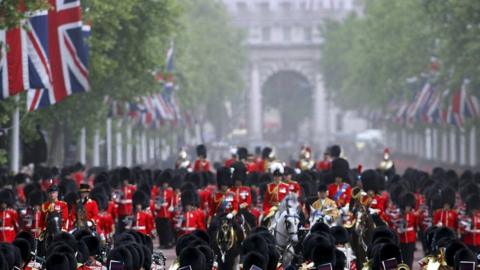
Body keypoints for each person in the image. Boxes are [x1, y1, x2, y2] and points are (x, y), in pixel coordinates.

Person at [152, 170, 176, 248]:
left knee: (167, 230)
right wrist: (156, 206)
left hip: (167, 214)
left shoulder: (170, 191)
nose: (165, 185)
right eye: (164, 183)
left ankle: (167, 243)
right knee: (160, 229)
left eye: (166, 183)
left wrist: (171, 207)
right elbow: (154, 200)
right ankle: (162, 243)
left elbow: (172, 202)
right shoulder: (157, 191)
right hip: (159, 213)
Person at [395, 192, 418, 269]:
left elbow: (415, 226)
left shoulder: (413, 215)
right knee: (403, 256)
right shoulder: (399, 215)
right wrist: (399, 230)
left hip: (411, 238)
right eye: (406, 207)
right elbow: (396, 225)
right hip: (402, 239)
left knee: (410, 256)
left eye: (409, 207)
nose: (407, 208)